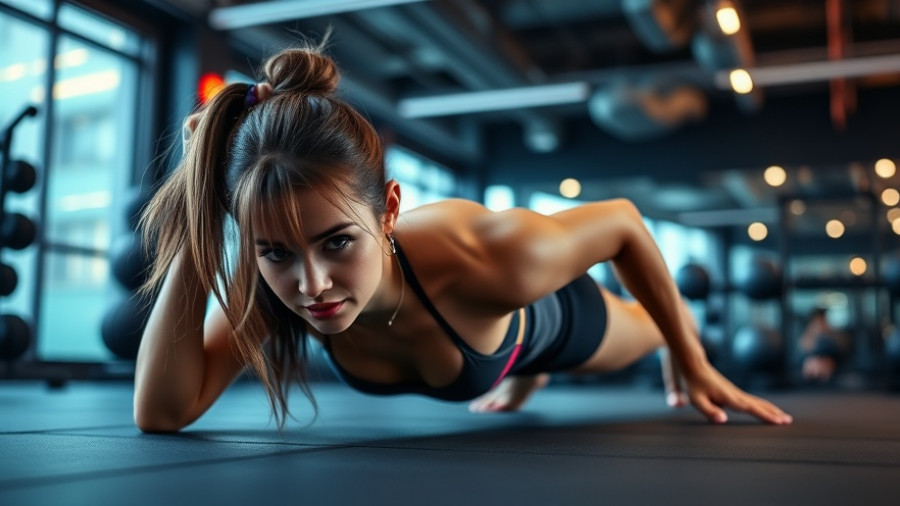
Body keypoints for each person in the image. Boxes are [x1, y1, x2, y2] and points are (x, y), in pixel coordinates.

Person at [132, 40, 793, 432]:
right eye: (274, 250)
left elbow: (621, 220)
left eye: (338, 242)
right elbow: (162, 413)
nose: (311, 287)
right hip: (488, 347)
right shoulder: (272, 287)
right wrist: (200, 221)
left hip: (551, 319)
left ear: (389, 210)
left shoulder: (491, 254)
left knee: (649, 329)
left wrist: (687, 353)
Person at [798, 307, 850, 382]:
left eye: (822, 319)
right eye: (817, 320)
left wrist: (829, 332)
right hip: (813, 365)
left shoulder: (835, 332)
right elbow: (804, 348)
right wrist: (814, 332)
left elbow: (845, 346)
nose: (820, 323)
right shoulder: (807, 335)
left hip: (833, 367)